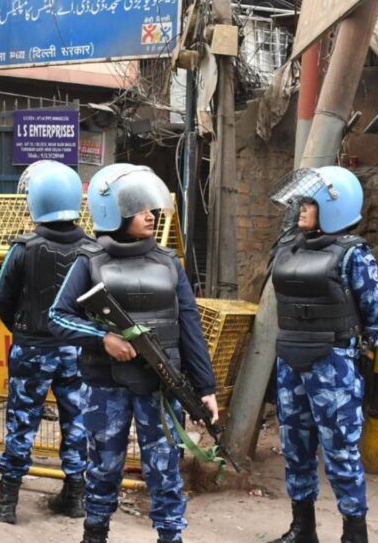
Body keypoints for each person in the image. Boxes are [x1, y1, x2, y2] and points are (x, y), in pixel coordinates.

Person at [49, 164, 219, 543]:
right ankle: (95, 533)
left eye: (149, 206)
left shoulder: (169, 263)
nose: (149, 214)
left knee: (165, 470)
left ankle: (170, 535)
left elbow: (190, 326)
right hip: (104, 385)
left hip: (161, 386)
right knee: (103, 468)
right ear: (113, 211)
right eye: (137, 207)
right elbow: (58, 317)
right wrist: (103, 339)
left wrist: (206, 387)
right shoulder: (89, 260)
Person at [265, 166, 378, 543]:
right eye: (301, 202)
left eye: (310, 203)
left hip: (332, 362)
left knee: (340, 451)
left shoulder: (353, 255)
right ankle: (303, 529)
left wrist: (359, 347)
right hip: (290, 358)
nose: (301, 208)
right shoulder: (288, 247)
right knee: (295, 447)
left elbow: (375, 314)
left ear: (335, 207)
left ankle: (354, 534)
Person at [0, 160, 92, 524]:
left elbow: (3, 297)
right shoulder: (93, 249)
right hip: (79, 349)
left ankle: (7, 500)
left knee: (22, 421)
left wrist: (23, 331)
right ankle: (75, 496)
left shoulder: (23, 248)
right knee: (77, 421)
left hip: (32, 348)